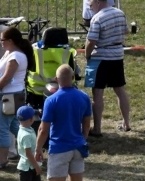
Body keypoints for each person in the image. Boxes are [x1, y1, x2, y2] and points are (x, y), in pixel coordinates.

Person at [34, 65, 92, 181]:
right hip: (78, 147)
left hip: (59, 147)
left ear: (56, 78)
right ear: (72, 77)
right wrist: (82, 139)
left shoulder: (51, 100)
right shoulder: (84, 97)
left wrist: (38, 148)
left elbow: (43, 129)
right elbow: (86, 124)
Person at [84, 0, 131, 135]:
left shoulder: (97, 18)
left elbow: (91, 41)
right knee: (120, 90)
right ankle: (127, 123)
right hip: (117, 55)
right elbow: (126, 31)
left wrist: (87, 55)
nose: (91, 9)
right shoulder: (120, 13)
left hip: (101, 58)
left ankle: (97, 128)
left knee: (97, 93)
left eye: (91, 6)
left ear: (98, 2)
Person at [0, 28, 34, 168]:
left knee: (2, 128)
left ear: (10, 41)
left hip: (8, 97)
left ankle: (2, 160)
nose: (1, 42)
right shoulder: (10, 53)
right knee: (17, 126)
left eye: (2, 40)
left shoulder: (15, 57)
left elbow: (7, 78)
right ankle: (32, 147)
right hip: (14, 96)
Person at [16, 105, 42, 181]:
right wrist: (37, 167)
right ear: (31, 119)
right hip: (27, 168)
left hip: (31, 165)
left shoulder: (26, 129)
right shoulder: (26, 135)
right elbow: (28, 153)